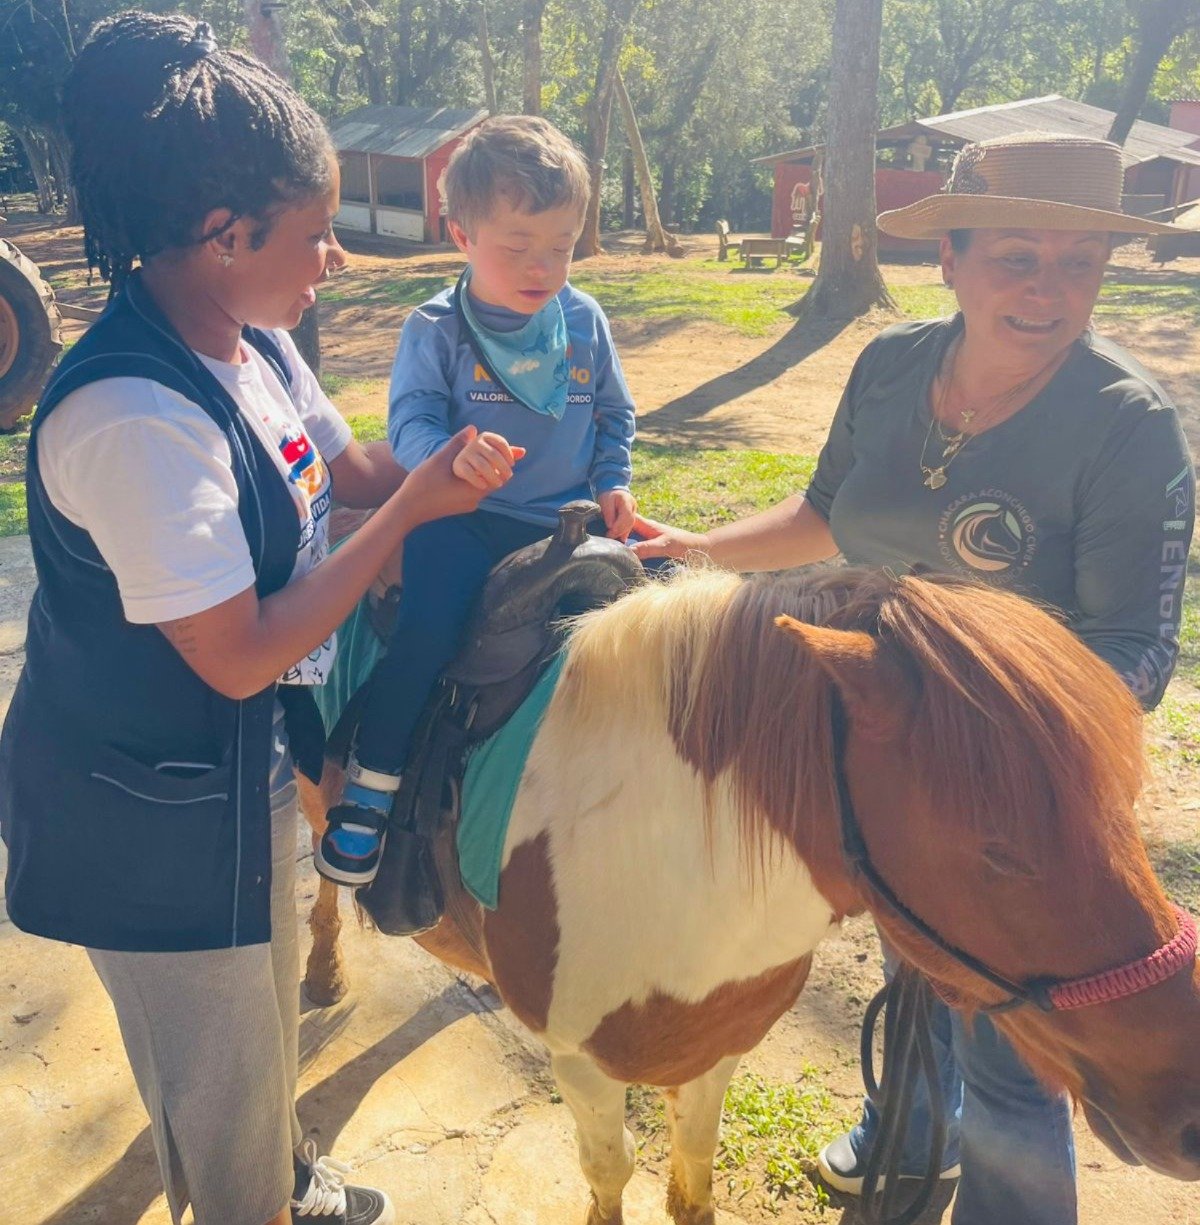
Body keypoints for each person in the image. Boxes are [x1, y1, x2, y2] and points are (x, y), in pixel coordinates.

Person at [0, 13, 511, 1225]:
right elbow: (238, 653)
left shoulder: (252, 344)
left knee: (265, 1019)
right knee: (220, 1082)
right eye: (315, 232)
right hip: (146, 822)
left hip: (232, 781)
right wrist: (406, 518)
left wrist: (449, 462)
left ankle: (282, 1179)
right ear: (225, 235)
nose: (335, 260)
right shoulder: (133, 415)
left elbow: (351, 468)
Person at [631, 132, 1195, 1225]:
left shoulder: (1128, 428)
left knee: (1015, 1058)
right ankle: (913, 1127)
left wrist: (981, 738)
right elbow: (822, 516)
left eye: (1079, 264)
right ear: (952, 258)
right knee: (919, 960)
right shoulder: (890, 367)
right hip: (885, 752)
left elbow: (1138, 652)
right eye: (1017, 257)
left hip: (1020, 810)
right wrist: (694, 545)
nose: (1048, 290)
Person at [317, 115, 641, 887]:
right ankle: (372, 783)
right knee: (428, 632)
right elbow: (411, 420)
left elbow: (613, 414)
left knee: (649, 636)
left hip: (566, 524)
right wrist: (449, 455)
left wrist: (613, 480)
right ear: (461, 235)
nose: (542, 266)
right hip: (460, 520)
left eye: (561, 246)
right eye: (518, 245)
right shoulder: (436, 328)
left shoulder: (584, 320)